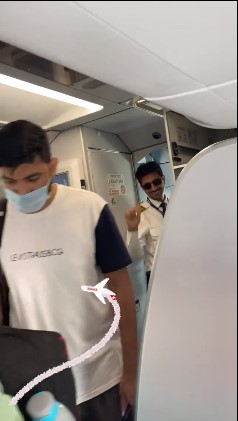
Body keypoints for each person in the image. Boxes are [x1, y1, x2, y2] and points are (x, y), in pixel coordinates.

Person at [0, 120, 138, 421]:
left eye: (32, 178)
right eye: (10, 181)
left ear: (52, 167)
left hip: (101, 376)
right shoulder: (2, 221)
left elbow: (123, 292)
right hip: (37, 385)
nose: (21, 191)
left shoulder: (89, 209)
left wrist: (131, 371)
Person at [125, 161, 169, 288]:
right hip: (158, 278)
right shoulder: (141, 214)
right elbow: (134, 256)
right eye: (147, 186)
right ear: (142, 187)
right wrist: (132, 229)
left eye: (156, 182)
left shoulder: (176, 204)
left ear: (163, 179)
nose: (153, 188)